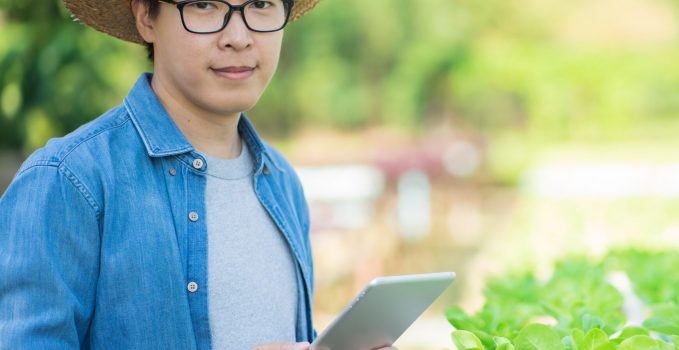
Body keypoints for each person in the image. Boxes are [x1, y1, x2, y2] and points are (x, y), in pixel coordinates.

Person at [0, 1, 391, 349]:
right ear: (146, 17)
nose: (238, 37)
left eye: (260, 4)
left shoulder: (282, 181)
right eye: (204, 5)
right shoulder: (68, 181)